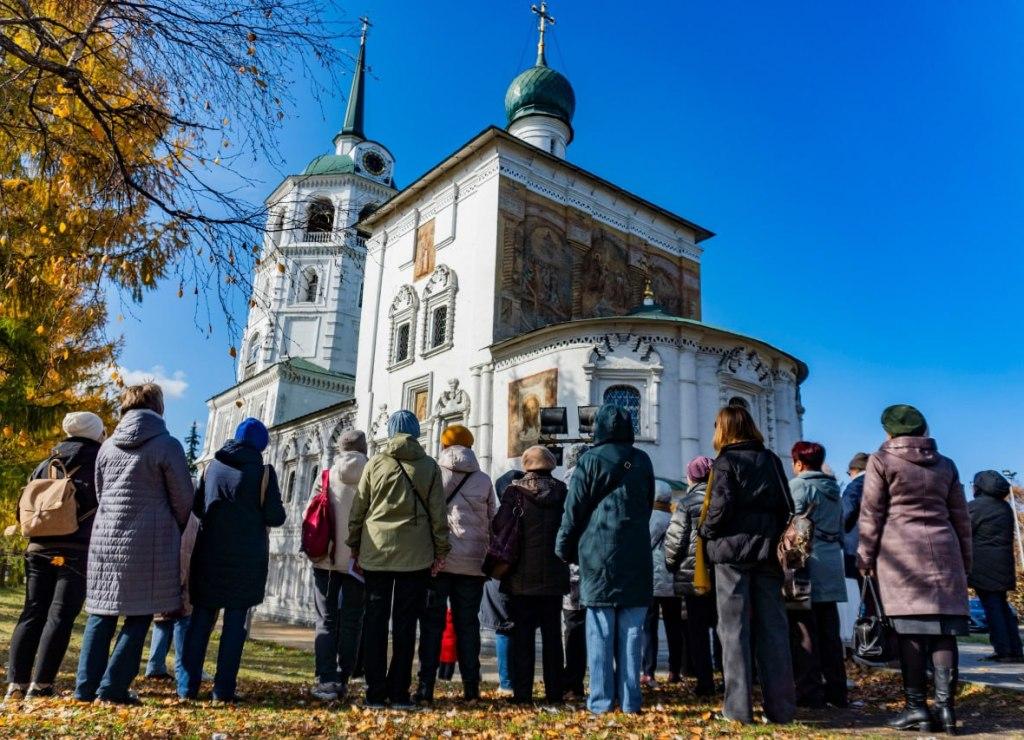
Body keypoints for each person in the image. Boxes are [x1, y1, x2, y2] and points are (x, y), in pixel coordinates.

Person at [75, 385, 194, 705]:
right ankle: (112, 688)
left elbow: (102, 493)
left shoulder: (108, 446)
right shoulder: (167, 445)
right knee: (139, 615)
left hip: (105, 541)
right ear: (158, 407)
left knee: (101, 615)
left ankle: (85, 689)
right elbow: (183, 500)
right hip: (150, 543)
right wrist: (172, 525)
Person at [858, 404, 971, 735]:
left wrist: (864, 557)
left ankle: (916, 709)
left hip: (901, 555)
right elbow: (961, 517)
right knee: (944, 633)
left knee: (911, 634)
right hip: (944, 553)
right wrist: (966, 562)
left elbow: (871, 514)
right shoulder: (946, 465)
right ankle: (947, 712)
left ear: (889, 432)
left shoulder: (881, 461)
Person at [698, 405, 795, 725]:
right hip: (767, 553)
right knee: (774, 631)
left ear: (724, 429)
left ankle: (738, 709)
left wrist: (705, 531)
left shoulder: (726, 461)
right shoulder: (770, 460)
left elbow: (720, 508)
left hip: (732, 555)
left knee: (734, 631)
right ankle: (780, 708)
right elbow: (787, 506)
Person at [556, 404, 655, 715]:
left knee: (599, 629)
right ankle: (630, 702)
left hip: (598, 554)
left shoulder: (589, 460)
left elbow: (573, 511)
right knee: (632, 632)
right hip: (637, 554)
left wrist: (563, 548)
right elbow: (647, 504)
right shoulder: (643, 461)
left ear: (598, 427)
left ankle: (600, 702)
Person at [178, 417, 286, 702]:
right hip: (245, 560)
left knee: (201, 621)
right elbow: (276, 516)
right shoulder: (263, 473)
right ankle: (222, 689)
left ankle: (186, 687)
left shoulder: (212, 467)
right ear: (261, 444)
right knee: (234, 626)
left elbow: (199, 508)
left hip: (209, 555)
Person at [347, 410, 449, 709]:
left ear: (390, 432)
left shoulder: (376, 463)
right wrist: (441, 550)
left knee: (376, 622)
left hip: (376, 551)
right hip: (415, 556)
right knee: (405, 625)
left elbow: (359, 507)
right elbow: (438, 514)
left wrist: (354, 543)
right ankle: (400, 692)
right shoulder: (429, 466)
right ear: (417, 431)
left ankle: (374, 692)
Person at [5, 412, 105, 703]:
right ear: (96, 433)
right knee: (60, 615)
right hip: (73, 551)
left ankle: (16, 684)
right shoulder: (100, 461)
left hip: (38, 548)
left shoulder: (45, 463)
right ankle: (42, 684)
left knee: (32, 611)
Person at [415, 424, 495, 703]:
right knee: (468, 626)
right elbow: (492, 519)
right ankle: (471, 689)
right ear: (470, 446)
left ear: (445, 445)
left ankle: (425, 687)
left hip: (439, 562)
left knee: (432, 625)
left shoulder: (435, 474)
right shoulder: (484, 479)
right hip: (473, 565)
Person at [499, 445, 569, 705]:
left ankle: (522, 694)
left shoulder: (513, 492)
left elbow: (500, 526)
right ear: (550, 465)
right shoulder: (562, 491)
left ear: (526, 465)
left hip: (520, 579)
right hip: (554, 577)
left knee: (522, 638)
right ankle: (554, 693)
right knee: (553, 638)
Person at [308, 429, 369, 702]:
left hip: (326, 559)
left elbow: (309, 512)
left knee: (326, 618)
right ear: (364, 448)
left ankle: (325, 678)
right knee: (352, 621)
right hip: (360, 561)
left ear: (340, 448)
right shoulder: (373, 475)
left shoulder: (326, 475)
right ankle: (344, 677)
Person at [786, 441, 848, 708]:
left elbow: (789, 520)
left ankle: (809, 691)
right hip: (832, 561)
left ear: (799, 463)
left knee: (804, 629)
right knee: (829, 630)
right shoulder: (833, 489)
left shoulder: (799, 486)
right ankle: (837, 690)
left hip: (807, 564)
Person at [664, 455, 717, 697]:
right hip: (721, 574)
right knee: (723, 630)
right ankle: (730, 677)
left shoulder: (686, 503)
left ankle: (705, 682)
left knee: (697, 630)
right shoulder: (721, 499)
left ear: (691, 476)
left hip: (693, 576)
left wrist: (671, 564)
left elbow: (676, 540)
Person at [968, 470, 1023, 663]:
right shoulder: (1005, 507)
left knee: (992, 609)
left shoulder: (975, 507)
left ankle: (1004, 651)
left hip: (983, 566)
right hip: (1003, 564)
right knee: (1002, 607)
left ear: (979, 486)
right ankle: (1014, 649)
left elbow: (963, 531)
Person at [479, 469, 525, 697]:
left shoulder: (499, 515)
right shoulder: (532, 512)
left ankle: (507, 683)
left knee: (503, 630)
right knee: (522, 630)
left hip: (498, 578)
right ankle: (521, 683)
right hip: (526, 577)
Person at [145, 514, 200, 683]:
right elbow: (184, 553)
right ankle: (181, 668)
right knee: (181, 623)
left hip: (164, 577)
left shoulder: (164, 513)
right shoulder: (189, 519)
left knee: (162, 622)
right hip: (178, 582)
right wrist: (179, 582)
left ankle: (155, 665)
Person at [642, 484, 684, 687]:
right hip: (672, 581)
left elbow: (643, 545)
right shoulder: (675, 516)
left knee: (648, 627)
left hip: (651, 580)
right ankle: (674, 670)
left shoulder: (650, 518)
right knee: (673, 627)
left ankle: (648, 671)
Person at [561, 443, 590, 700]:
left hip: (569, 570)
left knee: (573, 626)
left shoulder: (562, 489)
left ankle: (573, 683)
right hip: (595, 567)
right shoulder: (597, 486)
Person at [840, 453, 869, 580]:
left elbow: (845, 513)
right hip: (882, 547)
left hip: (856, 547)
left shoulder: (855, 486)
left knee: (863, 590)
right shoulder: (882, 485)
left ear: (854, 470)